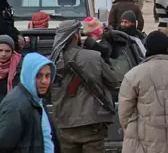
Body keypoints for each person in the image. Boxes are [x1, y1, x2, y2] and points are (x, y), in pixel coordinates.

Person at [50, 20, 118, 152]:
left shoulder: (53, 62)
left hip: (65, 124)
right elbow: (114, 81)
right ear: (76, 36)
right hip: (91, 123)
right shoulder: (93, 57)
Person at [0, 53, 60, 152]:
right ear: (29, 75)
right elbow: (0, 147)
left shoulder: (37, 100)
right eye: (38, 76)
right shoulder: (16, 106)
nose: (44, 81)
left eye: (47, 76)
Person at [0, 35, 22, 126]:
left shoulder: (19, 66)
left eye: (7, 51)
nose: (3, 54)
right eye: (0, 50)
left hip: (12, 112)